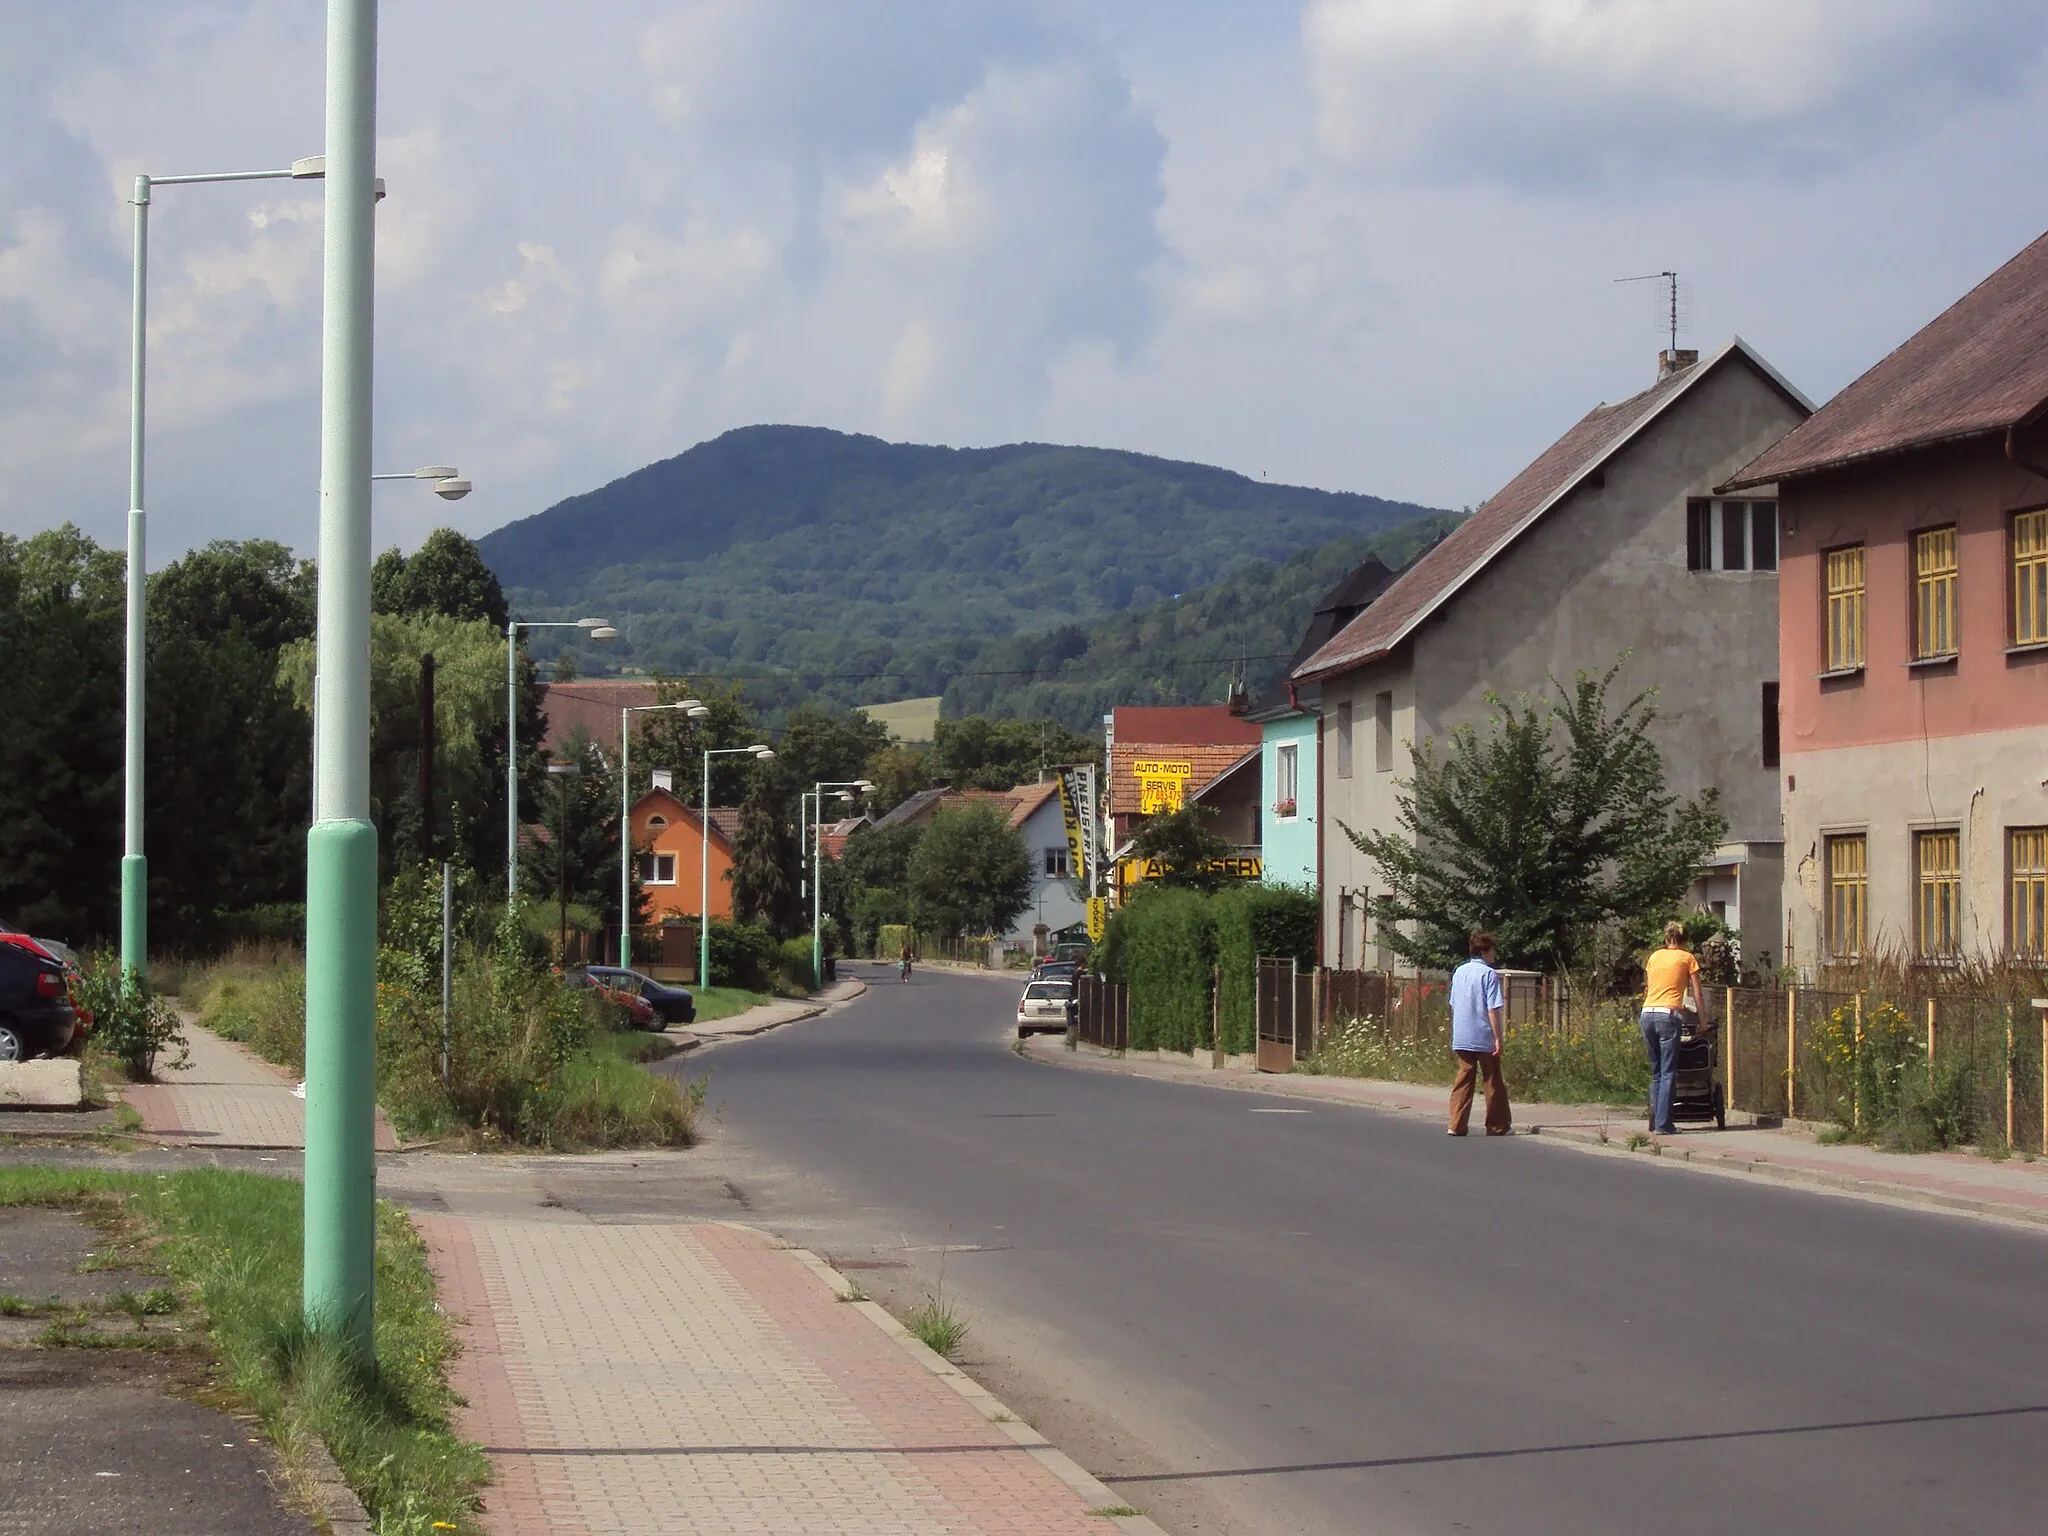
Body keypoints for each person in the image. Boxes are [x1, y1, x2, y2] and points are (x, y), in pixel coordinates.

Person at [1641, 920, 1704, 1136]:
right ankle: (1664, 1125)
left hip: (1647, 1013)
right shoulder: (1688, 958)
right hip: (1668, 1015)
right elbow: (1696, 993)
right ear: (1685, 940)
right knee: (1669, 1072)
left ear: (1667, 939)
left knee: (1656, 1072)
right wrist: (1702, 1021)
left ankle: (1654, 1121)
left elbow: (1650, 988)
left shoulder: (1654, 957)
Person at [1447, 932, 1510, 1137]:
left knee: (1464, 1077)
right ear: (1483, 951)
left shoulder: (1459, 971)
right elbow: (1493, 1008)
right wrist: (1498, 1037)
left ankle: (1456, 1124)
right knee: (1492, 1079)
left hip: (1462, 1033)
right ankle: (1496, 1125)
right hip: (1482, 1033)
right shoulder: (1489, 974)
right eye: (1492, 950)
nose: (1494, 955)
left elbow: (1453, 1003)